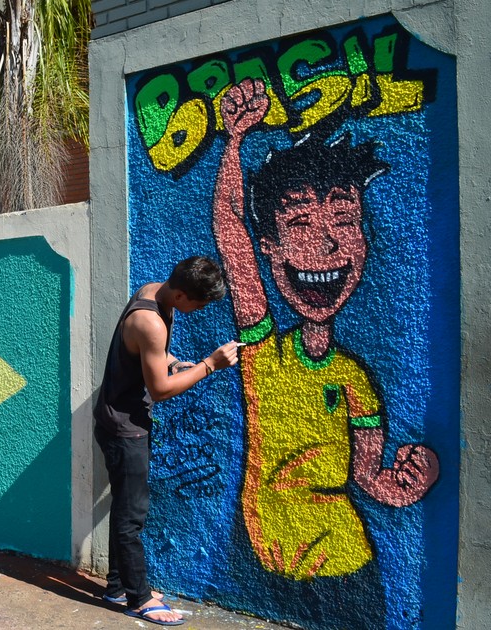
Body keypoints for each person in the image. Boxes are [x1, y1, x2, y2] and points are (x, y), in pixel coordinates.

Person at [208, 79, 438, 625]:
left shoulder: (355, 380)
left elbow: (368, 477)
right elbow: (229, 228)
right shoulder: (262, 347)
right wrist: (235, 142)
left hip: (344, 566)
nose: (326, 244)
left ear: (362, 239)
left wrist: (410, 482)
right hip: (258, 559)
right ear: (272, 247)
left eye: (344, 221)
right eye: (300, 224)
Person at [93, 256, 239, 627]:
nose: (201, 310)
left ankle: (116, 586)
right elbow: (158, 390)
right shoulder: (150, 322)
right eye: (200, 303)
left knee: (125, 504)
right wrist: (209, 365)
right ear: (180, 294)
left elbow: (152, 360)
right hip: (125, 426)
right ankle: (138, 599)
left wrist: (174, 363)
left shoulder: (153, 293)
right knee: (132, 514)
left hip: (120, 417)